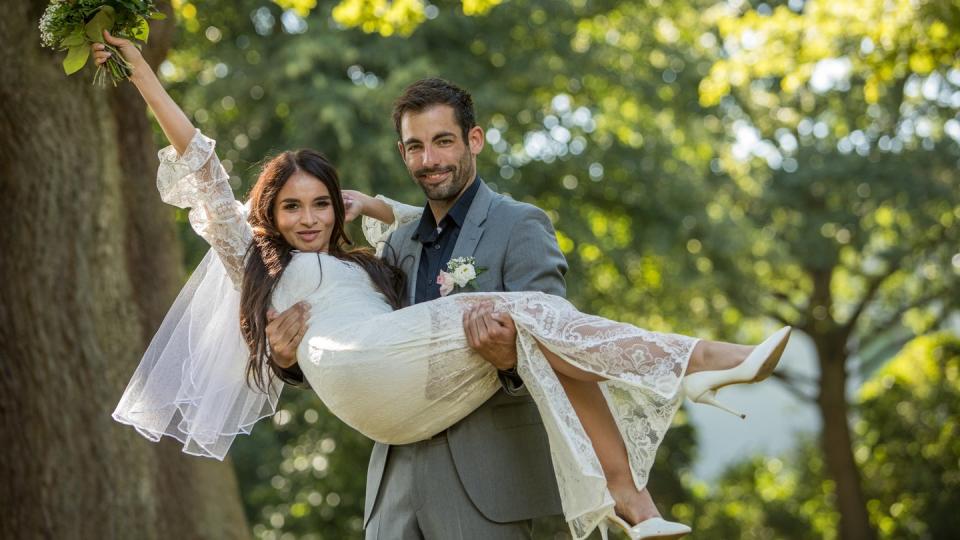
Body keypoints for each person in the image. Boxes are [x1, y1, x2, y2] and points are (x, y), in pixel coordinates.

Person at [102, 34, 791, 540]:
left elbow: (416, 233)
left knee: (539, 319)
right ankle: (692, 365)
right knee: (523, 311)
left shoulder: (383, 254)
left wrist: (369, 206)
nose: (308, 219)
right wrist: (143, 77)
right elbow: (204, 172)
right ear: (269, 214)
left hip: (449, 439)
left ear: (472, 141)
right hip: (370, 393)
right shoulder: (259, 261)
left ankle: (631, 493)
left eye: (321, 204)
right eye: (291, 207)